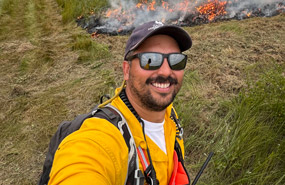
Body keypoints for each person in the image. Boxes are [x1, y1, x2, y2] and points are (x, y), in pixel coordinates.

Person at [48, 20, 192, 185]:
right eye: (150, 60)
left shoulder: (169, 113)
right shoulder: (103, 138)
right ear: (126, 70)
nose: (166, 72)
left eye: (176, 60)